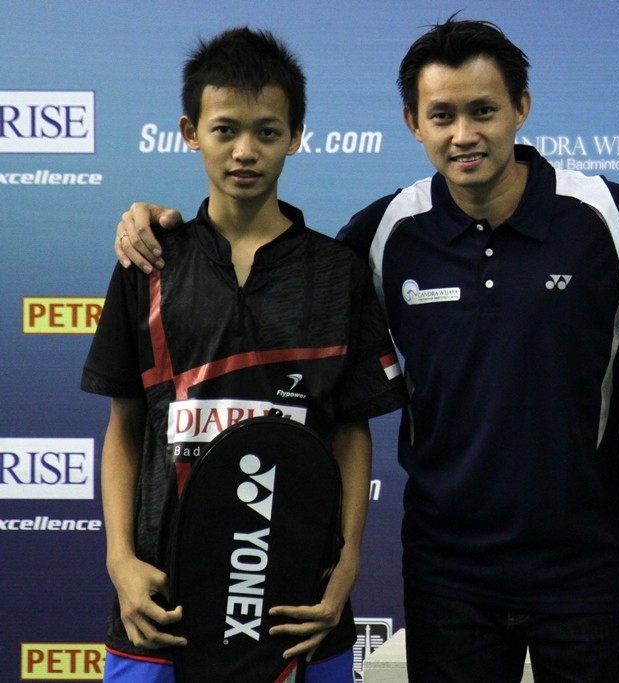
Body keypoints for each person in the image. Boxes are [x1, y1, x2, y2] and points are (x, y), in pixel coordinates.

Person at [112, 18, 619, 683]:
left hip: (587, 566)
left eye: (484, 111)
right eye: (442, 115)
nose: (464, 134)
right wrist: (165, 229)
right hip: (447, 571)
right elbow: (278, 278)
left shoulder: (598, 214)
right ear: (413, 123)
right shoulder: (386, 233)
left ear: (521, 108)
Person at [82, 27, 406, 683]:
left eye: (267, 131)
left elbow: (350, 432)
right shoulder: (147, 261)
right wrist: (120, 560)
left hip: (298, 605)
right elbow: (124, 426)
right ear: (189, 132)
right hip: (160, 605)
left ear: (296, 135)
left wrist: (346, 565)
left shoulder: (338, 273)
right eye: (225, 129)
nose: (245, 151)